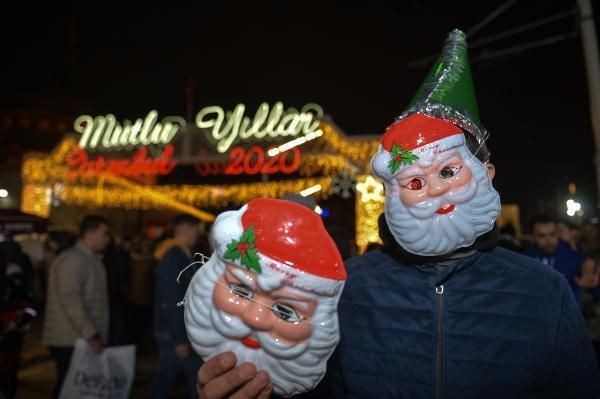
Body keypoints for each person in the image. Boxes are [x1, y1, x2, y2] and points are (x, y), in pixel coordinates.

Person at [196, 30, 600, 398]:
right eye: (415, 182)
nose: (437, 189)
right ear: (391, 194)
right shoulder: (347, 289)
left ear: (486, 174)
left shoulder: (544, 293)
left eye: (448, 172)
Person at [42, 216, 111, 399]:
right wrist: (92, 334)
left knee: (73, 388)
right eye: (105, 233)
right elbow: (71, 300)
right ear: (91, 233)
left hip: (77, 337)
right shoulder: (73, 259)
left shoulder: (88, 258)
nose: (108, 238)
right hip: (69, 339)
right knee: (68, 387)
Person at [153, 214, 203, 399]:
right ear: (187, 230)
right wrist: (180, 338)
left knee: (169, 377)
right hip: (174, 333)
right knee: (190, 379)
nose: (197, 236)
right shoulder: (175, 256)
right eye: (196, 231)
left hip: (173, 331)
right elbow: (172, 298)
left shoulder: (178, 253)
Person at [525, 214, 600, 306]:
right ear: (533, 236)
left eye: (552, 234)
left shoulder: (575, 258)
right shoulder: (525, 259)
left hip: (569, 317)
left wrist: (594, 284)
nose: (548, 240)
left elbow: (591, 283)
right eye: (542, 236)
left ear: (557, 233)